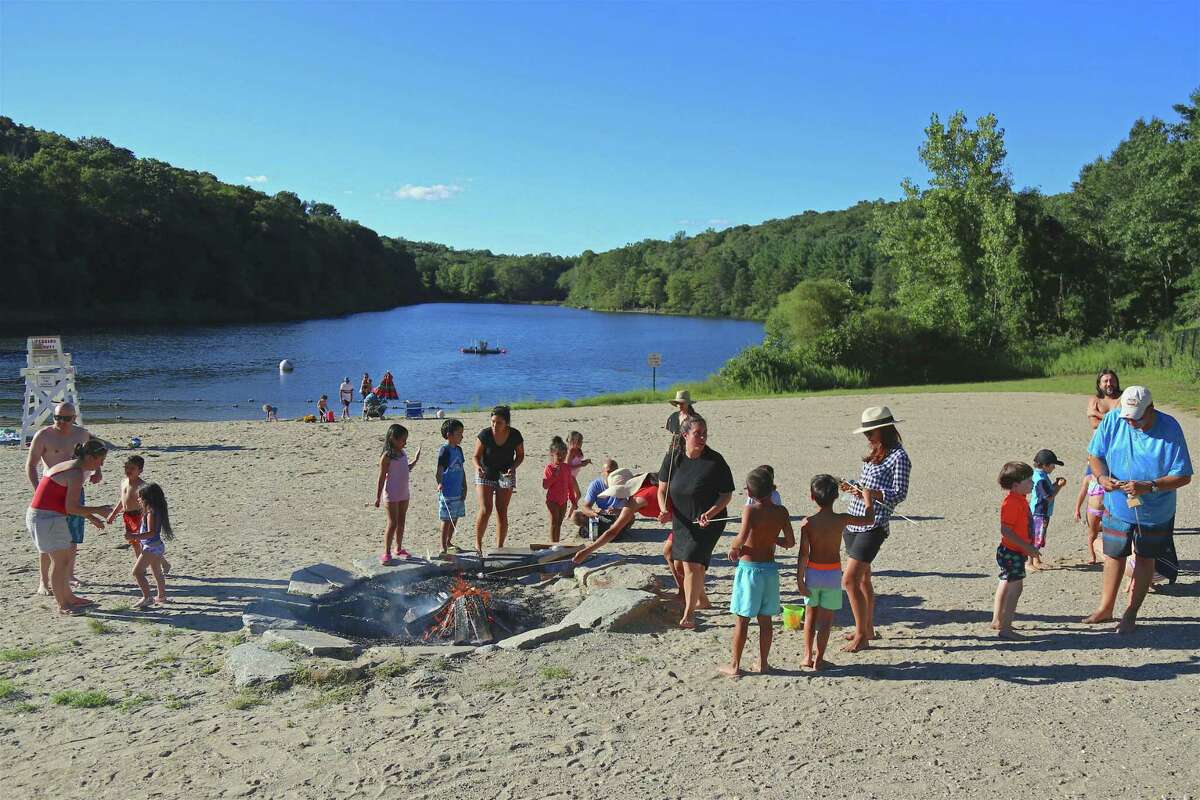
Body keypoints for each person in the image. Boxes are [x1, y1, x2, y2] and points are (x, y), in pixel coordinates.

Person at [1083, 386, 1192, 634]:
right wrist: (1101, 478)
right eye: (1127, 417)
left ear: (1151, 409)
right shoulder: (1114, 419)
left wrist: (1151, 486)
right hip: (1117, 505)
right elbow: (1094, 455)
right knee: (1113, 555)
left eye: (1137, 417)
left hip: (1155, 511)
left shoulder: (1170, 428)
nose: (1130, 422)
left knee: (1144, 558)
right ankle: (1105, 607)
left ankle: (1130, 613)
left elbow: (1183, 475)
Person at [839, 406, 911, 653]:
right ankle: (867, 628)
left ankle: (862, 635)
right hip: (855, 519)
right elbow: (868, 484)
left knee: (849, 580)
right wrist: (855, 488)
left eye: (871, 432)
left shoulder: (899, 457)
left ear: (884, 430)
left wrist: (873, 494)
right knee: (863, 579)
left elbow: (900, 493)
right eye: (866, 432)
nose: (867, 436)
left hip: (875, 524)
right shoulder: (875, 451)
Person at [657, 415, 734, 629]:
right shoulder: (674, 457)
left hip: (709, 521)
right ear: (685, 435)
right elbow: (662, 489)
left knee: (692, 562)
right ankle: (703, 600)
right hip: (681, 519)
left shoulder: (715, 461)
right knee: (677, 559)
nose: (702, 437)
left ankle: (689, 613)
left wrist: (710, 512)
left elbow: (726, 495)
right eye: (697, 433)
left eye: (704, 433)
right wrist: (664, 509)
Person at [719, 466, 795, 678]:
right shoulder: (781, 512)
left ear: (749, 493)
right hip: (770, 570)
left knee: (742, 619)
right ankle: (763, 663)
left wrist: (734, 548)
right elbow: (790, 542)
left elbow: (741, 537)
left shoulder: (750, 510)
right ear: (772, 489)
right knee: (765, 620)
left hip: (750, 569)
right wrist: (772, 538)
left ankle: (735, 665)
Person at [24, 402, 104, 594]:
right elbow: (30, 465)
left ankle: (69, 574)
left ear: (74, 418)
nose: (61, 422)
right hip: (50, 491)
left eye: (66, 418)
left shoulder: (81, 434)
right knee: (47, 540)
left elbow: (94, 452)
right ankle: (43, 581)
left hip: (74, 489)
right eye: (57, 417)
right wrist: (38, 490)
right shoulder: (44, 435)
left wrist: (97, 470)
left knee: (71, 537)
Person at [797, 475, 875, 670]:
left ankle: (807, 656)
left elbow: (803, 554)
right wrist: (867, 498)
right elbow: (869, 520)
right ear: (836, 497)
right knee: (825, 621)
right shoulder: (841, 519)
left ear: (811, 497)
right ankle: (819, 659)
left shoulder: (808, 523)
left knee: (810, 616)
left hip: (813, 572)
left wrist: (799, 580)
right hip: (832, 574)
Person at [26, 440, 112, 615]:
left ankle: (70, 597)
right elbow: (72, 507)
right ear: (89, 456)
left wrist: (91, 517)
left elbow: (67, 505)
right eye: (99, 460)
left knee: (64, 561)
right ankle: (63, 604)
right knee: (60, 563)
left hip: (49, 517)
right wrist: (98, 510)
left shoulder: (70, 466)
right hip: (46, 518)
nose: (101, 464)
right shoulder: (75, 473)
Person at [572, 468, 669, 564]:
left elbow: (612, 532)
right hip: (679, 520)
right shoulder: (649, 484)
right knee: (668, 553)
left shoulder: (636, 500)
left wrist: (586, 551)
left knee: (670, 554)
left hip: (681, 522)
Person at [1074, 369, 1123, 561]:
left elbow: (1123, 420)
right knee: (1091, 484)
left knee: (1118, 487)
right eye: (1105, 381)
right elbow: (1094, 425)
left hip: (1118, 451)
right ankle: (1093, 526)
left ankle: (1118, 522)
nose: (1109, 384)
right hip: (1098, 452)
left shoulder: (1124, 397)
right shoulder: (1094, 399)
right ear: (1099, 384)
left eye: (1111, 380)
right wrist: (1110, 416)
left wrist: (1100, 414)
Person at [993, 461, 1041, 639]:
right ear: (1015, 485)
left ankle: (998, 620)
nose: (1032, 483)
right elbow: (1006, 530)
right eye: (1028, 481)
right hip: (1012, 551)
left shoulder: (1018, 499)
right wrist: (1027, 547)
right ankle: (1005, 628)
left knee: (1005, 583)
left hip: (1012, 550)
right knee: (1015, 588)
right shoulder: (1011, 503)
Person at [103, 456, 171, 575]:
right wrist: (114, 513)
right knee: (135, 543)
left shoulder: (142, 486)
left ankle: (161, 563)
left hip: (139, 516)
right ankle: (143, 566)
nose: (128, 470)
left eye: (132, 468)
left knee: (145, 544)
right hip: (127, 516)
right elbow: (122, 499)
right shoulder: (123, 482)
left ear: (140, 471)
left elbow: (148, 504)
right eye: (126, 467)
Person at [662, 390, 699, 595]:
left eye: (682, 403)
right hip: (674, 451)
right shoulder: (675, 418)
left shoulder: (694, 419)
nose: (680, 406)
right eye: (678, 403)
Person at [473, 405, 524, 553]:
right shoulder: (485, 434)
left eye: (499, 422)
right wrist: (478, 467)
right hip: (485, 472)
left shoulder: (515, 435)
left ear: (506, 423)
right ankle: (478, 544)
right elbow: (475, 456)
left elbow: (520, 455)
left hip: (505, 474)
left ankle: (499, 547)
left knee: (502, 510)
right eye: (493, 421)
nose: (495, 425)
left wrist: (513, 467)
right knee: (485, 509)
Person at [374, 424, 421, 563]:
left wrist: (415, 460)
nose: (405, 443)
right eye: (403, 440)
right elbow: (381, 477)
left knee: (401, 522)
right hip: (391, 493)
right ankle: (387, 552)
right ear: (393, 439)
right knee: (392, 523)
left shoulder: (403, 453)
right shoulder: (387, 456)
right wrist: (377, 497)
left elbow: (405, 469)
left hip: (404, 492)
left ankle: (398, 548)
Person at [129, 482, 174, 609]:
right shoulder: (157, 510)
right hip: (158, 546)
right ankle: (161, 596)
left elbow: (151, 532)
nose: (138, 499)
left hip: (151, 547)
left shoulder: (151, 513)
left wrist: (134, 536)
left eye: (140, 497)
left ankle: (147, 597)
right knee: (157, 573)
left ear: (148, 499)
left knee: (137, 572)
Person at [1027, 449, 1067, 570]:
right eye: (1052, 465)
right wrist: (1059, 486)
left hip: (1040, 511)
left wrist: (1055, 484)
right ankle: (1030, 563)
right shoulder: (1041, 479)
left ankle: (1036, 560)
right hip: (1039, 511)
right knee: (1036, 537)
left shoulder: (1040, 475)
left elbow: (1047, 491)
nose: (1054, 468)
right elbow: (1048, 497)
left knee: (1038, 536)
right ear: (1045, 465)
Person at [435, 418, 467, 554]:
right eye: (459, 433)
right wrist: (440, 483)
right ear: (449, 434)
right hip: (447, 491)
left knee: (455, 517)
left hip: (458, 490)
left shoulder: (459, 450)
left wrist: (464, 485)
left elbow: (462, 468)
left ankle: (449, 541)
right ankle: (443, 546)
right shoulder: (445, 450)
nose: (462, 436)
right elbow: (439, 471)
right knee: (446, 519)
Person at [570, 458, 623, 539]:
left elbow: (631, 507)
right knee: (575, 516)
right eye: (608, 472)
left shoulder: (622, 484)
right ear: (603, 473)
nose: (611, 474)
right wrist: (594, 512)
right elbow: (585, 507)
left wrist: (618, 511)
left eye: (614, 472)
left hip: (616, 516)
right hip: (600, 515)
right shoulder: (596, 485)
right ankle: (597, 529)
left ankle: (603, 530)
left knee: (631, 518)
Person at [542, 436, 581, 543]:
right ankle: (552, 544)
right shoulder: (549, 468)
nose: (561, 457)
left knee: (559, 523)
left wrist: (573, 500)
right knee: (554, 522)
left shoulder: (566, 467)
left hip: (563, 501)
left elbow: (569, 485)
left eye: (564, 454)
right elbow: (545, 485)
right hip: (552, 500)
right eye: (558, 455)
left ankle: (556, 544)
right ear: (552, 454)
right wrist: (554, 476)